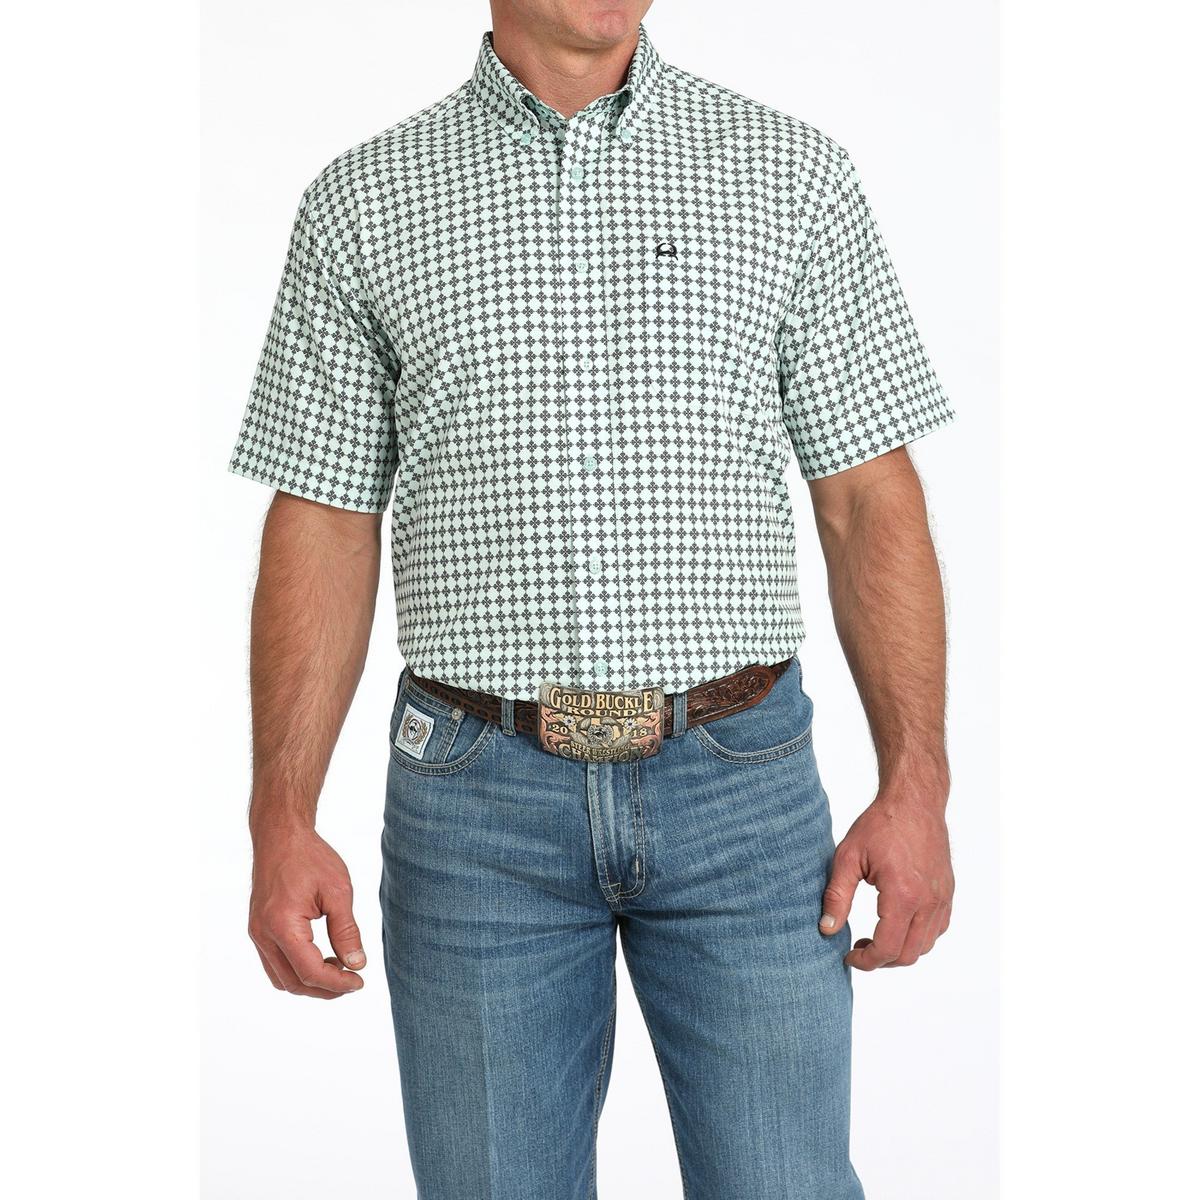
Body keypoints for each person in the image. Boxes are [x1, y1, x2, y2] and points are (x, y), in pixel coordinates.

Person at [230, 2, 955, 1196]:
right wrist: (281, 814)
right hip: (476, 807)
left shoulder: (790, 174)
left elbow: (870, 499)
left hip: (743, 792)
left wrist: (916, 784)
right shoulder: (364, 202)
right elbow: (323, 517)